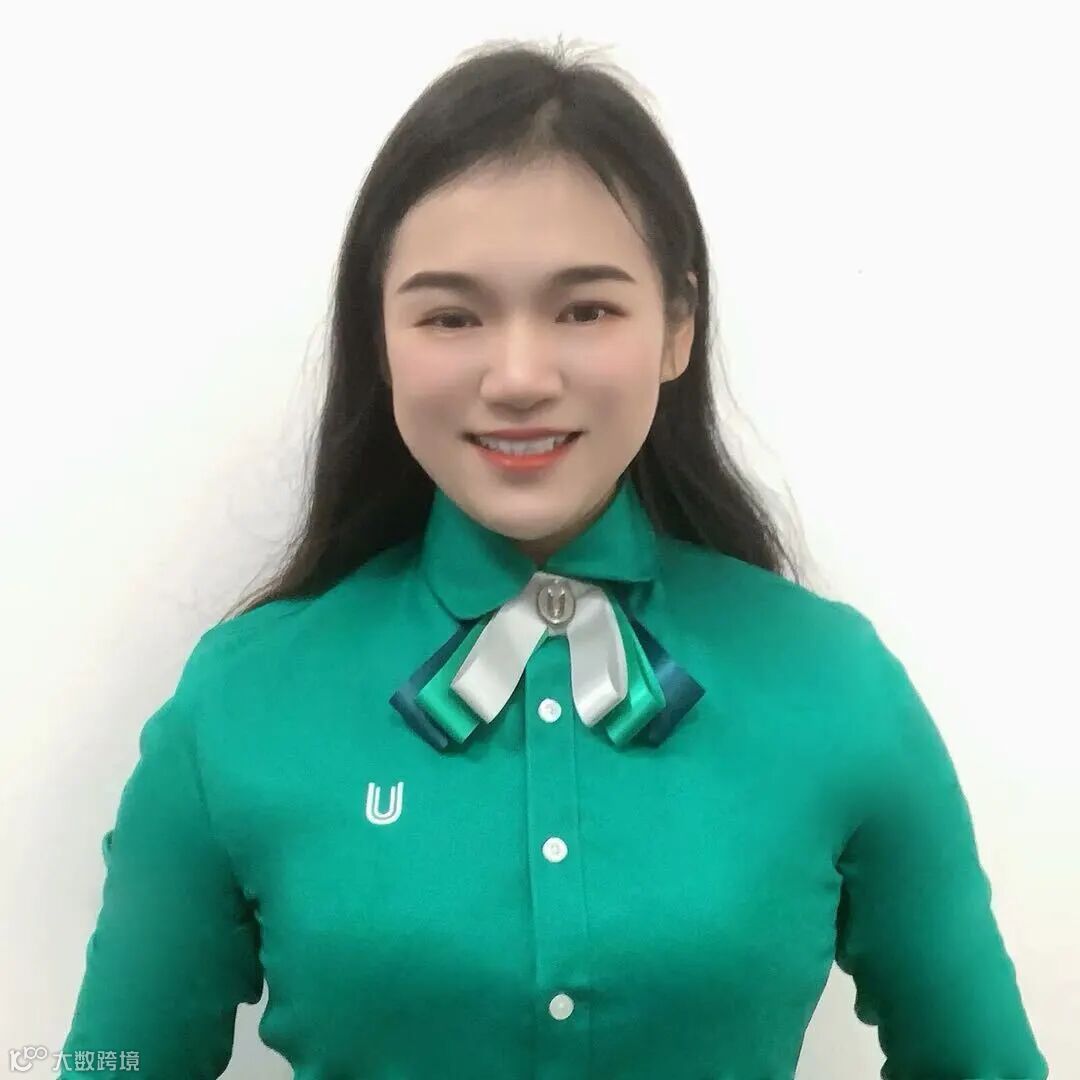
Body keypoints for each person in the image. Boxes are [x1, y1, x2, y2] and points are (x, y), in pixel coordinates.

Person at [57, 36, 1049, 1080]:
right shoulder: (240, 701)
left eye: (586, 309)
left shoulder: (835, 682)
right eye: (451, 315)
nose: (520, 376)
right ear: (379, 336)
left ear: (677, 326)